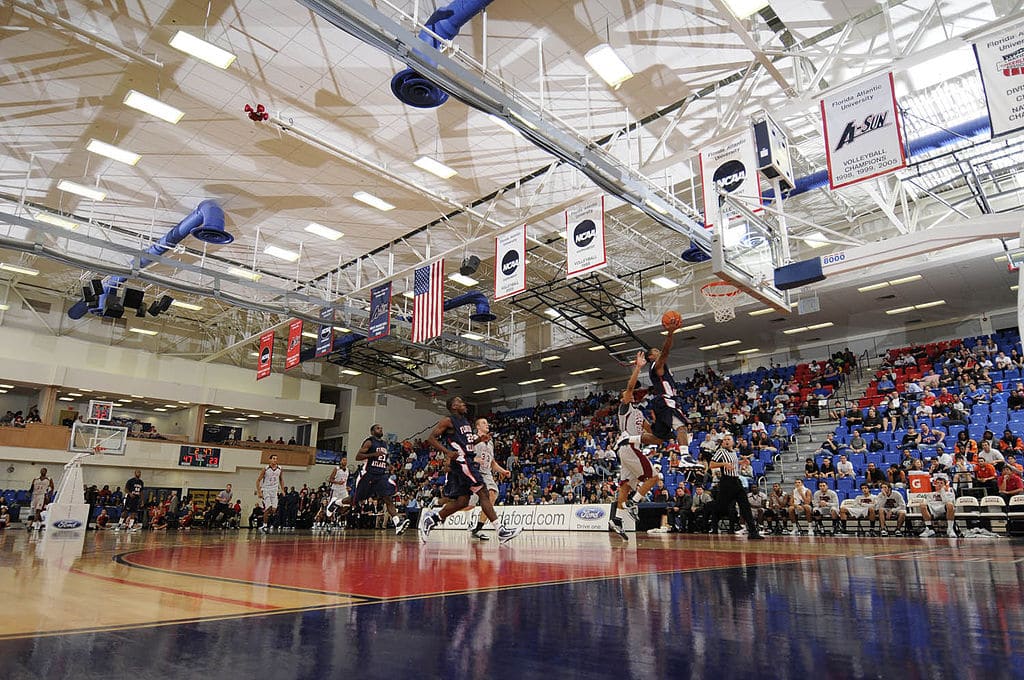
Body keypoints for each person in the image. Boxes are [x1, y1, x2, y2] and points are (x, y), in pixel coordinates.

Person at [420, 397, 520, 544]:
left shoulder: (465, 422)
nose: (463, 404)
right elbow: (431, 438)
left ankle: (432, 519)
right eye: (460, 402)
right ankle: (501, 530)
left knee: (462, 501)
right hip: (462, 462)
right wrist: (447, 452)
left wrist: (479, 440)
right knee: (484, 493)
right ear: (454, 406)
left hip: (464, 461)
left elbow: (467, 442)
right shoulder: (448, 420)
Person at [609, 352, 666, 540]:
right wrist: (639, 367)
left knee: (625, 485)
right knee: (654, 477)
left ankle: (616, 519)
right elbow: (630, 386)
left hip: (631, 449)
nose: (631, 394)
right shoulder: (624, 408)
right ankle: (634, 503)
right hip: (628, 447)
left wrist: (661, 426)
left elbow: (653, 435)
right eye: (628, 394)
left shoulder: (640, 414)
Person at [646, 314, 692, 452]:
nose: (658, 351)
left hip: (661, 401)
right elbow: (665, 352)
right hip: (666, 401)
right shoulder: (656, 365)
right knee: (681, 427)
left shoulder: (659, 367)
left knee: (659, 438)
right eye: (655, 351)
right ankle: (685, 457)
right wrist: (670, 333)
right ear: (650, 357)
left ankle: (629, 439)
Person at [352, 425, 409, 535]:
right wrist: (373, 454)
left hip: (381, 475)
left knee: (388, 498)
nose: (381, 430)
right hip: (368, 474)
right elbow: (358, 457)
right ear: (372, 431)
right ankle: (337, 502)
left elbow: (382, 458)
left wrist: (388, 465)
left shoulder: (384, 444)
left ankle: (398, 524)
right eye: (378, 428)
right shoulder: (369, 442)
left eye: (382, 428)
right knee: (356, 500)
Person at [707, 434, 764, 539]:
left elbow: (734, 464)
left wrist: (741, 462)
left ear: (733, 442)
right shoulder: (721, 451)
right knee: (721, 507)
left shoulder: (734, 452)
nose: (726, 441)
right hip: (726, 482)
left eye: (728, 439)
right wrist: (724, 464)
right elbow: (711, 464)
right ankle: (713, 526)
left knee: (745, 506)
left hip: (736, 481)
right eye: (724, 440)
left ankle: (753, 532)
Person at [466, 417, 511, 540]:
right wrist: (474, 459)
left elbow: (492, 462)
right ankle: (441, 509)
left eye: (487, 423)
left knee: (493, 494)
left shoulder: (490, 442)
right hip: (474, 473)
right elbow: (463, 455)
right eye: (484, 423)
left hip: (486, 474)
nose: (487, 425)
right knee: (468, 505)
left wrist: (503, 471)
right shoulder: (474, 439)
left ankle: (478, 529)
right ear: (478, 427)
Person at [255, 454, 283, 533]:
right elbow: (258, 481)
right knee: (268, 508)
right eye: (273, 458)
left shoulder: (280, 469)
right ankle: (264, 524)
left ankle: (272, 524)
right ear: (270, 460)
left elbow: (281, 480)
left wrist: (283, 490)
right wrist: (259, 492)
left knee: (274, 510)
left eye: (276, 459)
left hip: (274, 491)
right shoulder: (265, 469)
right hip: (266, 490)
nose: (275, 460)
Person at [323, 455, 351, 529]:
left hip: (343, 490)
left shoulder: (348, 470)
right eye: (343, 460)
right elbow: (330, 479)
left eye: (346, 460)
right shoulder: (336, 469)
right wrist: (338, 482)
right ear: (341, 461)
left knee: (347, 505)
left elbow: (345, 480)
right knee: (330, 506)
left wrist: (347, 486)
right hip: (335, 489)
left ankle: (337, 514)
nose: (345, 461)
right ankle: (328, 522)